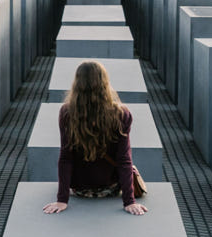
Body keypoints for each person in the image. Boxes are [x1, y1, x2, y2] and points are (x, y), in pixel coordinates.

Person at [42, 60, 148, 215]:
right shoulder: (121, 114)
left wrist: (62, 199)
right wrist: (129, 201)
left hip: (80, 189)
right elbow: (124, 159)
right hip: (110, 187)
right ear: (105, 83)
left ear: (77, 83)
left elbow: (66, 158)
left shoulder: (67, 113)